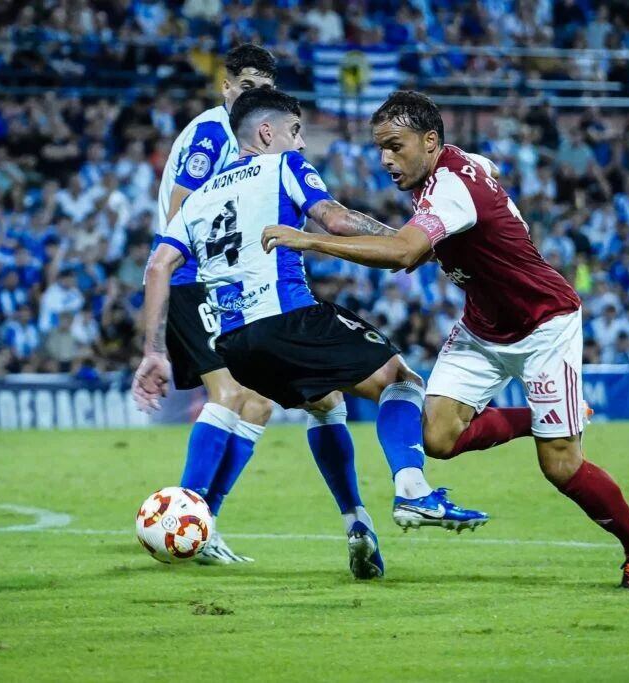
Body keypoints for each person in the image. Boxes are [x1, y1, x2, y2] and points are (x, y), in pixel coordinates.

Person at [263, 91, 629, 588]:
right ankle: (543, 420)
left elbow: (404, 256)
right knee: (436, 436)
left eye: (396, 146)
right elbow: (487, 167)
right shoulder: (454, 167)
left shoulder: (450, 188)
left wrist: (311, 239)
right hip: (483, 326)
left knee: (560, 466)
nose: (386, 159)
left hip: (544, 324)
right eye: (380, 149)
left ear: (431, 142)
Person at [134, 87, 489, 580]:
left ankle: (358, 524)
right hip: (289, 320)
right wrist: (414, 241)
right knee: (402, 382)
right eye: (295, 131)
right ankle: (413, 490)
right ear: (266, 134)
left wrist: (153, 352)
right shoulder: (282, 167)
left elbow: (158, 267)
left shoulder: (197, 200)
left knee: (327, 404)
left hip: (238, 348)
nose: (300, 143)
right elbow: (337, 220)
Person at [148, 44, 278, 565]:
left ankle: (206, 523)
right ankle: (185, 522)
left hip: (226, 285)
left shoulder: (254, 141)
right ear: (226, 87)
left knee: (260, 400)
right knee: (228, 392)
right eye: (246, 87)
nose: (254, 98)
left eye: (264, 91)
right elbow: (182, 210)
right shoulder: (212, 133)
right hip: (191, 280)